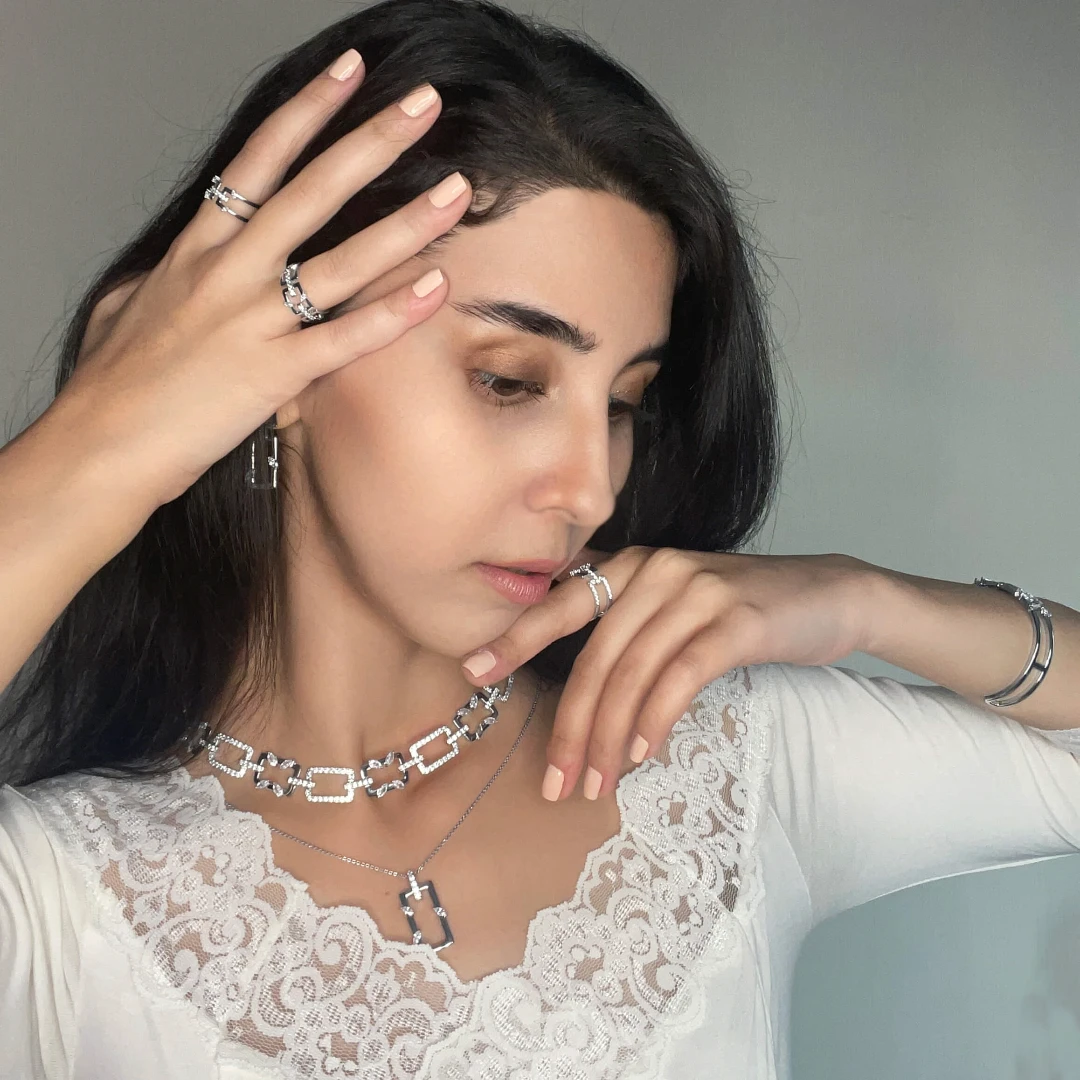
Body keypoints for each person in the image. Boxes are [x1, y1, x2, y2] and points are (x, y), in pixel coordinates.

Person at [0, 0, 1077, 1077]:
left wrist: (865, 601)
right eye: (510, 380)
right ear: (278, 369)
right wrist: (94, 446)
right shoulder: (60, 903)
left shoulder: (719, 766)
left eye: (625, 402)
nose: (591, 490)